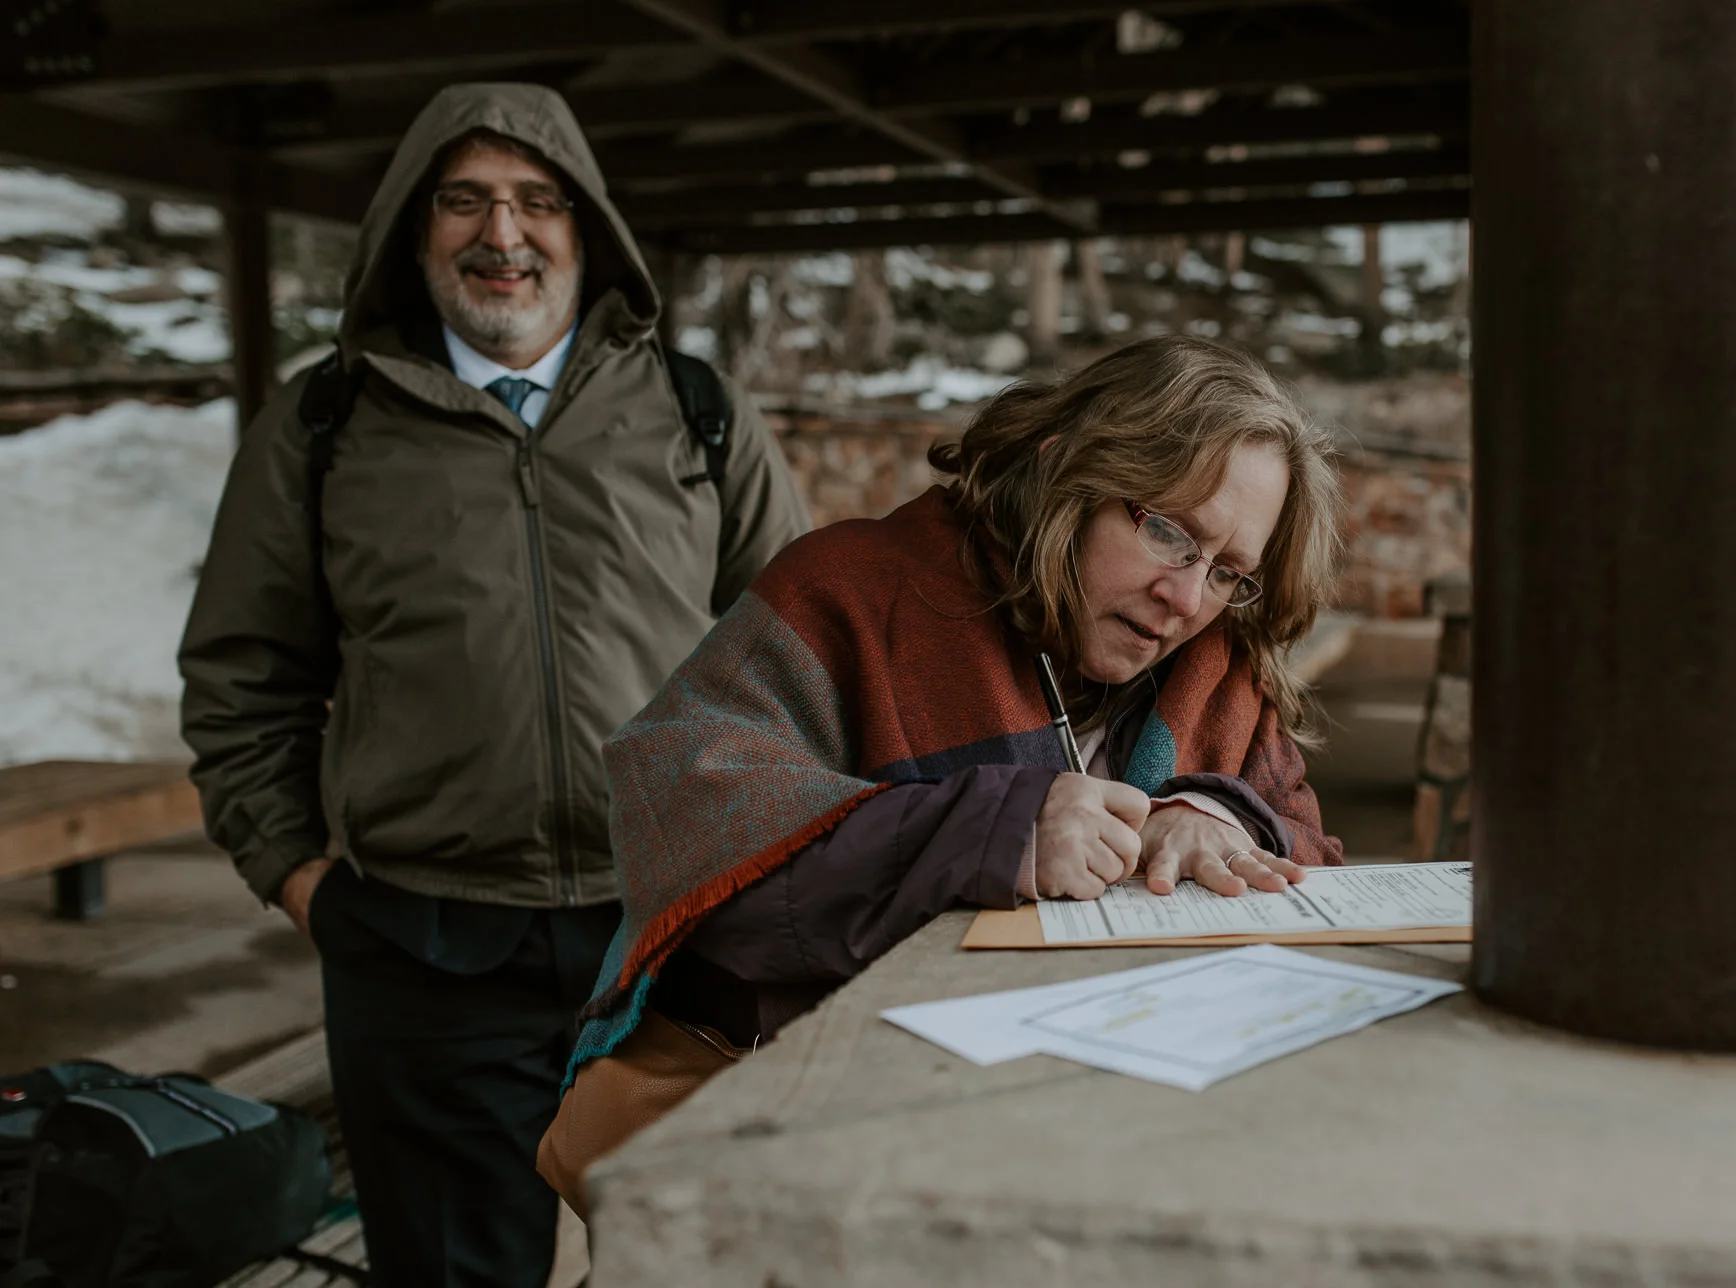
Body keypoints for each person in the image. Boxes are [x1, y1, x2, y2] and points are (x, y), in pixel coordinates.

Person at [177, 83, 808, 1286]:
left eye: (536, 202)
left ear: (588, 231)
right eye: (462, 200)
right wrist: (301, 877)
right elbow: (242, 676)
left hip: (673, 927)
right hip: (424, 946)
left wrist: (776, 851)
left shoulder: (696, 413)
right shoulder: (323, 426)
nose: (501, 233)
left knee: (688, 1258)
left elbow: (809, 649)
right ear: (414, 235)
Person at [539, 335, 1347, 1211]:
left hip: (1093, 1154)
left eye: (1229, 572)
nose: (1187, 599)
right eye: (1166, 532)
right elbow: (696, 856)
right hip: (832, 1157)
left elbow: (1304, 841)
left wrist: (1210, 815)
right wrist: (998, 829)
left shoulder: (1219, 666)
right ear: (1061, 472)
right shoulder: (849, 593)